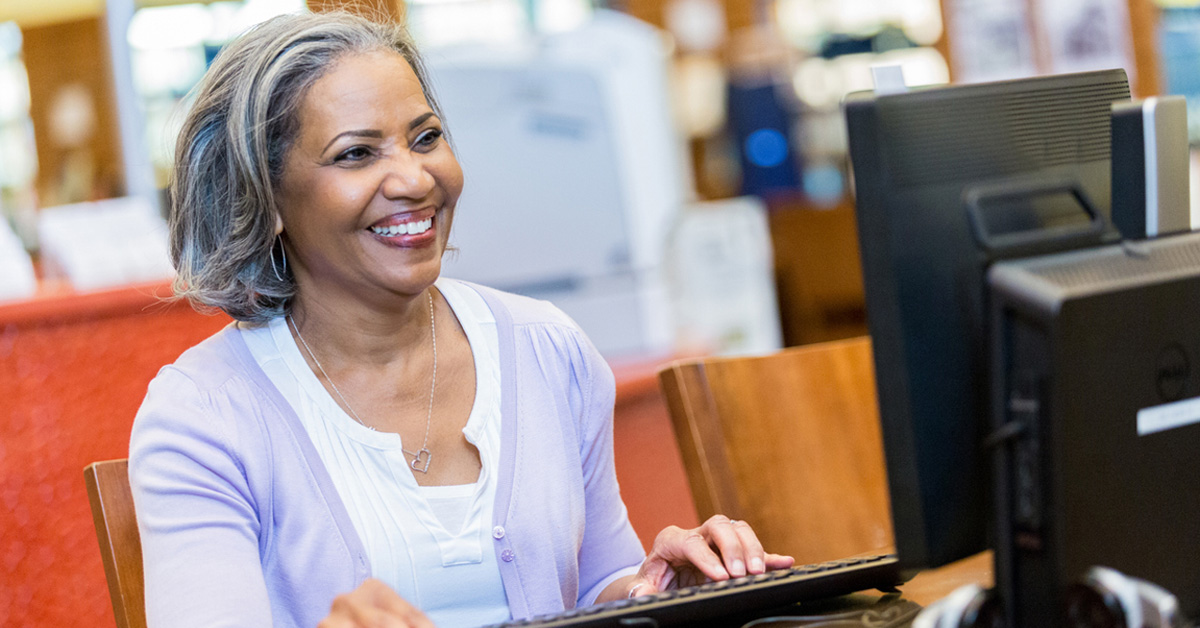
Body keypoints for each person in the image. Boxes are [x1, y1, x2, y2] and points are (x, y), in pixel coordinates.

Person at [129, 11, 793, 628]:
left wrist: (661, 592)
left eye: (426, 138)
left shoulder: (547, 350)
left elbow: (597, 591)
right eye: (357, 154)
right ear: (265, 198)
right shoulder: (205, 416)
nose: (415, 179)